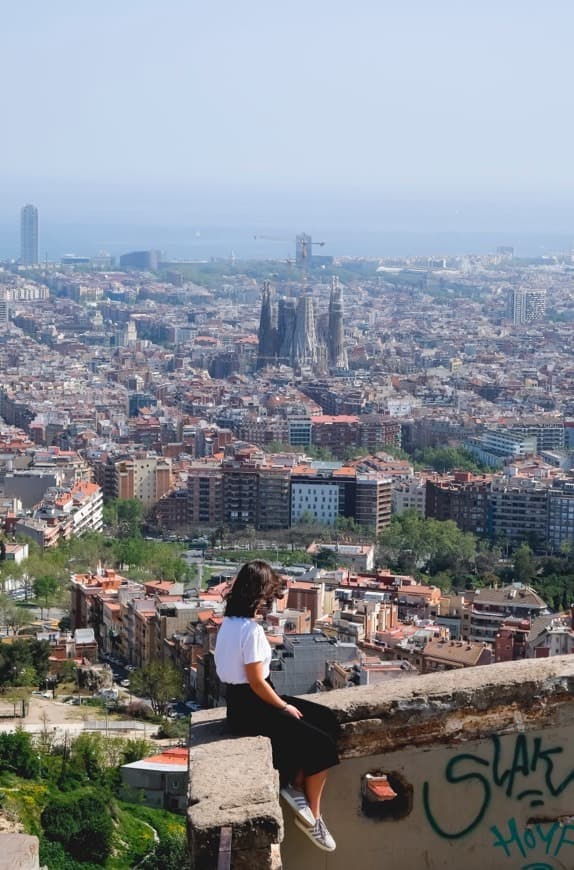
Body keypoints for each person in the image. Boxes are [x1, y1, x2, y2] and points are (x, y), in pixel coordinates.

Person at [214, 560, 339, 852]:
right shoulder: (252, 631)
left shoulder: (229, 625)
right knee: (324, 747)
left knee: (325, 718)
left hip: (237, 706)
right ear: (260, 595)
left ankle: (294, 784)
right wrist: (282, 707)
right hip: (256, 707)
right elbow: (258, 682)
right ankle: (313, 818)